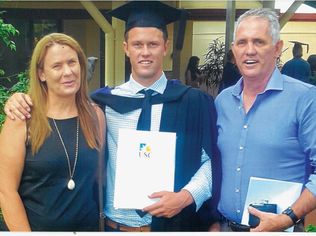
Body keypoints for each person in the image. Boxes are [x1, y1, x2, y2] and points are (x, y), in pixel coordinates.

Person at [3, 1, 221, 232]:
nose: (145, 52)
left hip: (169, 226)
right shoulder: (103, 104)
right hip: (113, 227)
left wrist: (186, 196)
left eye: (153, 44)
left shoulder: (192, 102)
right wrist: (18, 99)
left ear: (165, 47)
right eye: (137, 44)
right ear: (125, 48)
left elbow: (210, 163)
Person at [215, 8, 316, 232]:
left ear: (277, 48)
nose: (249, 51)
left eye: (259, 42)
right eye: (241, 42)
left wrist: (288, 217)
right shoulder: (223, 102)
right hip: (226, 228)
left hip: (280, 229)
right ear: (233, 50)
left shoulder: (305, 99)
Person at [0, 33, 105, 231]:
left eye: (72, 62)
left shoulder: (95, 116)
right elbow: (6, 191)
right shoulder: (22, 119)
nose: (68, 72)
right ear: (41, 74)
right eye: (57, 66)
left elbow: (98, 179)